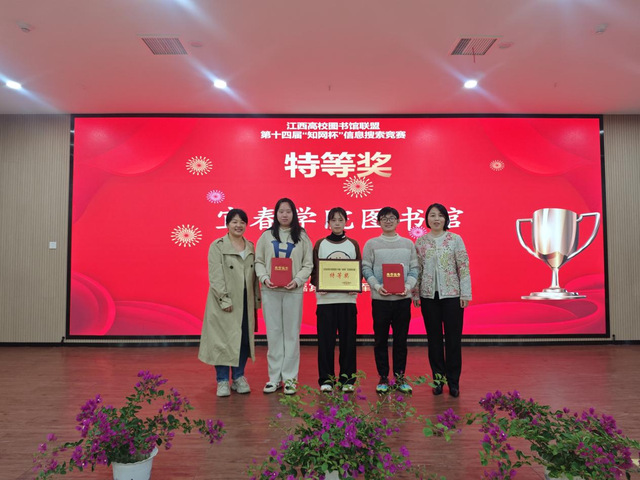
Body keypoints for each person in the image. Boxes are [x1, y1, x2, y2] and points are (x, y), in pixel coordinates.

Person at [198, 209, 261, 397]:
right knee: (222, 341)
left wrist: (256, 301)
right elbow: (215, 276)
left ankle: (239, 377)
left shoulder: (250, 246)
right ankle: (222, 380)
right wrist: (224, 299)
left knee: (242, 340)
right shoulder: (217, 246)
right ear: (227, 224)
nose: (238, 225)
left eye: (242, 222)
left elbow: (254, 277)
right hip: (224, 302)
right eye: (234, 221)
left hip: (245, 301)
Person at [255, 198, 313, 395]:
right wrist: (264, 278)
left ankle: (289, 379)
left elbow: (308, 264)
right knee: (273, 334)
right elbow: (259, 261)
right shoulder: (266, 236)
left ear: (294, 213)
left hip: (293, 291)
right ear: (276, 214)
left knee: (291, 335)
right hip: (270, 291)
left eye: (288, 211)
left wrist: (297, 280)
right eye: (281, 211)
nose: (285, 214)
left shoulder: (302, 236)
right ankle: (274, 378)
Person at [413, 203, 471, 398]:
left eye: (440, 215)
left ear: (446, 218)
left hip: (452, 296)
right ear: (427, 219)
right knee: (434, 340)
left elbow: (463, 267)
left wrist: (465, 294)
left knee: (453, 340)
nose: (436, 219)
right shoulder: (421, 242)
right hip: (429, 297)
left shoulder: (455, 239)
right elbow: (417, 269)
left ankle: (453, 382)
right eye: (432, 215)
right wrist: (415, 293)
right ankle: (438, 381)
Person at [362, 206, 419, 394]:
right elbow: (366, 268)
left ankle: (400, 377)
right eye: (384, 218)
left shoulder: (408, 244)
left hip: (402, 299)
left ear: (398, 221)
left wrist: (407, 286)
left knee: (401, 340)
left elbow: (414, 269)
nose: (388, 221)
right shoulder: (371, 244)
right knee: (380, 340)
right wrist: (377, 286)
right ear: (378, 221)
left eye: (392, 218)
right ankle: (383, 377)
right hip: (380, 299)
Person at [310, 207, 361, 393]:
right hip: (325, 301)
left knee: (348, 342)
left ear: (346, 222)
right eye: (333, 220)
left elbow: (358, 269)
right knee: (325, 343)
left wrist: (355, 284)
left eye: (340, 219)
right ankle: (326, 379)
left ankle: (347, 379)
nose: (337, 223)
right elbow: (314, 270)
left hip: (348, 301)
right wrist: (319, 284)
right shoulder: (320, 244)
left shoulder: (353, 244)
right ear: (328, 223)